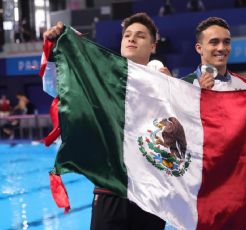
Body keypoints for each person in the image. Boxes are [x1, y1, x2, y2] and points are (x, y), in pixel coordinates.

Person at [43, 12, 170, 230]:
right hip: (109, 191)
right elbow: (56, 86)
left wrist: (163, 81)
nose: (131, 39)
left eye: (140, 36)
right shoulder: (100, 78)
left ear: (153, 46)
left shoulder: (166, 83)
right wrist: (55, 48)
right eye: (127, 35)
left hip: (152, 196)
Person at [181, 17, 246, 230]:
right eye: (214, 42)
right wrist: (196, 98)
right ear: (199, 47)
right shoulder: (182, 87)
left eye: (227, 42)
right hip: (199, 190)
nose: (222, 48)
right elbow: (174, 142)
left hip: (240, 190)